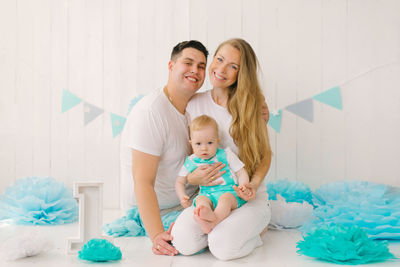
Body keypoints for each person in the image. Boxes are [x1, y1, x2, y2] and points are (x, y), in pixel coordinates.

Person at [119, 40, 224, 256]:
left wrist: (259, 106)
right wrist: (157, 234)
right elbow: (142, 181)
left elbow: (228, 101)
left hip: (191, 199)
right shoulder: (151, 112)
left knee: (233, 210)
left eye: (201, 66)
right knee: (207, 239)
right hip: (158, 211)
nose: (195, 70)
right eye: (188, 63)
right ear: (171, 66)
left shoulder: (195, 105)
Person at [171, 38, 272, 260]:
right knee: (183, 242)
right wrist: (194, 179)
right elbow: (194, 158)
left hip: (245, 198)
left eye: (233, 66)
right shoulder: (194, 103)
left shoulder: (251, 105)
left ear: (241, 74)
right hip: (210, 196)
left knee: (222, 248)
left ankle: (257, 233)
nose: (222, 69)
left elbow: (265, 155)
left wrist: (252, 185)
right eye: (219, 59)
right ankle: (220, 228)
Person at [175, 115, 252, 234]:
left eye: (210, 143)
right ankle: (205, 213)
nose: (204, 148)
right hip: (207, 194)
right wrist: (182, 196)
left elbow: (241, 171)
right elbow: (180, 181)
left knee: (225, 200)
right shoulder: (191, 161)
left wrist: (243, 186)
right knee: (200, 200)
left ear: (217, 141)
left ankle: (213, 221)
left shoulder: (226, 154)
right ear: (191, 143)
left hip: (229, 191)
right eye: (198, 144)